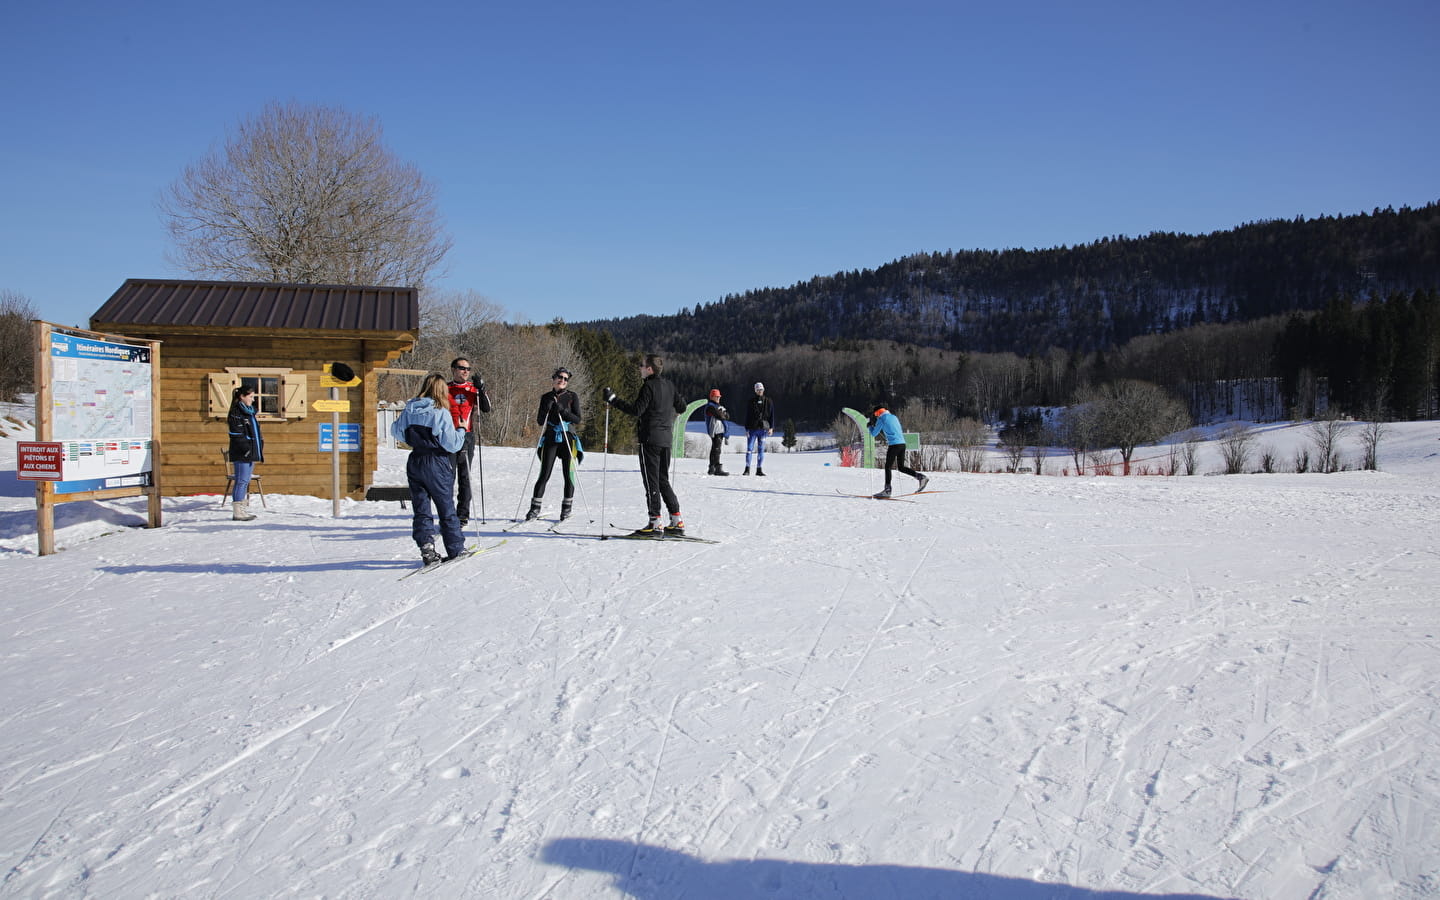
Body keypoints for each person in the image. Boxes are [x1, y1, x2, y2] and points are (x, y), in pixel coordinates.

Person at [603, 354, 687, 535]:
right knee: (663, 480)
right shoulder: (669, 385)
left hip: (650, 440)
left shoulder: (648, 386)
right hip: (666, 440)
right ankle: (676, 520)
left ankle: (655, 522)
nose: (640, 368)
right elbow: (682, 407)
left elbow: (636, 410)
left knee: (652, 482)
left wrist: (613, 399)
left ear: (649, 369)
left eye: (642, 366)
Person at [392, 373, 467, 566]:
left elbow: (396, 431)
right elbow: (451, 445)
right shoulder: (439, 411)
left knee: (421, 507)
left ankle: (426, 547)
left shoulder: (410, 408)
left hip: (415, 459)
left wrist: (412, 439)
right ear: (442, 390)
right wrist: (461, 431)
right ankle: (456, 548)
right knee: (445, 506)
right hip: (436, 460)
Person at [526, 367, 583, 521]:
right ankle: (534, 508)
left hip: (568, 438)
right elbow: (540, 421)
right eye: (560, 377)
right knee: (544, 474)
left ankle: (566, 509)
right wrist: (547, 408)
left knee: (568, 475)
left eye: (565, 379)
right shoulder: (546, 397)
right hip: (551, 438)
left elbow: (577, 419)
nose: (562, 380)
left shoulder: (572, 396)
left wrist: (563, 411)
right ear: (554, 378)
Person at [447, 357, 492, 526]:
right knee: (448, 476)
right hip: (448, 436)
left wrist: (481, 388)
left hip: (466, 435)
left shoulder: (473, 389)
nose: (465, 371)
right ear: (453, 369)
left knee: (464, 476)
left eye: (468, 369)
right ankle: (448, 512)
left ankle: (463, 514)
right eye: (461, 368)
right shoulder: (445, 387)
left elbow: (487, 408)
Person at [868, 403, 929, 498]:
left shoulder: (882, 419)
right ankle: (921, 477)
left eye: (876, 414)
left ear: (879, 412)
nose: (876, 416)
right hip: (902, 444)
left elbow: (874, 434)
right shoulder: (893, 417)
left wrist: (870, 426)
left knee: (888, 466)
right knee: (901, 467)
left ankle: (887, 490)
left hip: (894, 445)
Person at [227, 385, 264, 521]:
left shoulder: (250, 412)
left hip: (250, 451)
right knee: (241, 481)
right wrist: (247, 448)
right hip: (242, 452)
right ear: (242, 397)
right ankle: (238, 511)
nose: (253, 400)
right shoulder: (236, 412)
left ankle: (242, 509)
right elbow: (236, 434)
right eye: (250, 397)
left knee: (245, 480)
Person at [743, 382, 774, 476]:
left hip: (763, 429)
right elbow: (747, 415)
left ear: (763, 390)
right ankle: (747, 469)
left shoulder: (768, 401)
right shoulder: (751, 401)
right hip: (752, 429)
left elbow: (772, 415)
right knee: (749, 449)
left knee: (761, 450)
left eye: (761, 389)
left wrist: (771, 427)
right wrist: (746, 429)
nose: (759, 391)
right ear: (755, 391)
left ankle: (759, 469)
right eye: (758, 390)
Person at [704, 388, 731, 476]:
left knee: (716, 448)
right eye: (717, 397)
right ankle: (716, 467)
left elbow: (727, 416)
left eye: (719, 397)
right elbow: (720, 415)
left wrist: (722, 413)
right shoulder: (710, 406)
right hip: (715, 430)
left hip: (719, 430)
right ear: (712, 397)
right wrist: (722, 413)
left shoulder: (718, 406)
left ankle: (712, 467)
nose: (718, 398)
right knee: (716, 449)